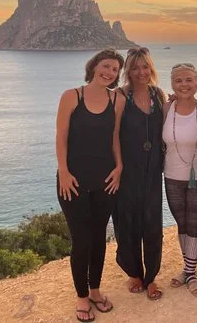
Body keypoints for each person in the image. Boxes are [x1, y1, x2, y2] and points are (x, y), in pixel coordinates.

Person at [55, 48, 125, 322]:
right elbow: (61, 136)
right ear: (94, 66)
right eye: (106, 66)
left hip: (106, 180)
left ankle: (95, 290)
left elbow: (115, 137)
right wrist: (63, 171)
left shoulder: (117, 99)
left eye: (115, 69)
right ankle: (82, 296)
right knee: (81, 239)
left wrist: (119, 167)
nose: (109, 72)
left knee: (98, 238)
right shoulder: (72, 96)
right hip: (73, 181)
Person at [112, 47, 166, 300]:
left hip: (153, 169)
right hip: (128, 170)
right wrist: (118, 166)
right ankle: (134, 273)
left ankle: (151, 276)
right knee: (128, 222)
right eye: (135, 67)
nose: (141, 72)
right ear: (128, 71)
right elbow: (113, 135)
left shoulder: (159, 94)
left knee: (153, 223)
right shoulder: (120, 96)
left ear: (150, 68)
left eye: (145, 66)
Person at [162, 63, 197, 297]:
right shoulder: (166, 108)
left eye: (189, 80)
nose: (184, 85)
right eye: (179, 80)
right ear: (172, 84)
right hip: (171, 175)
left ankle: (191, 273)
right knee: (182, 223)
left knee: (195, 223)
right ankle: (188, 268)